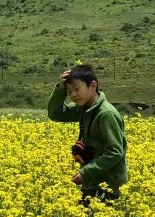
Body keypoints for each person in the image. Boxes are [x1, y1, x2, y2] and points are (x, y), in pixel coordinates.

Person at [48, 64, 128, 205]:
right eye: (69, 92)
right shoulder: (83, 109)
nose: (73, 95)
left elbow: (115, 152)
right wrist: (60, 89)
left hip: (108, 187)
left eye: (77, 89)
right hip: (93, 184)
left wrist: (86, 173)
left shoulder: (106, 114)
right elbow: (56, 114)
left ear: (92, 85)